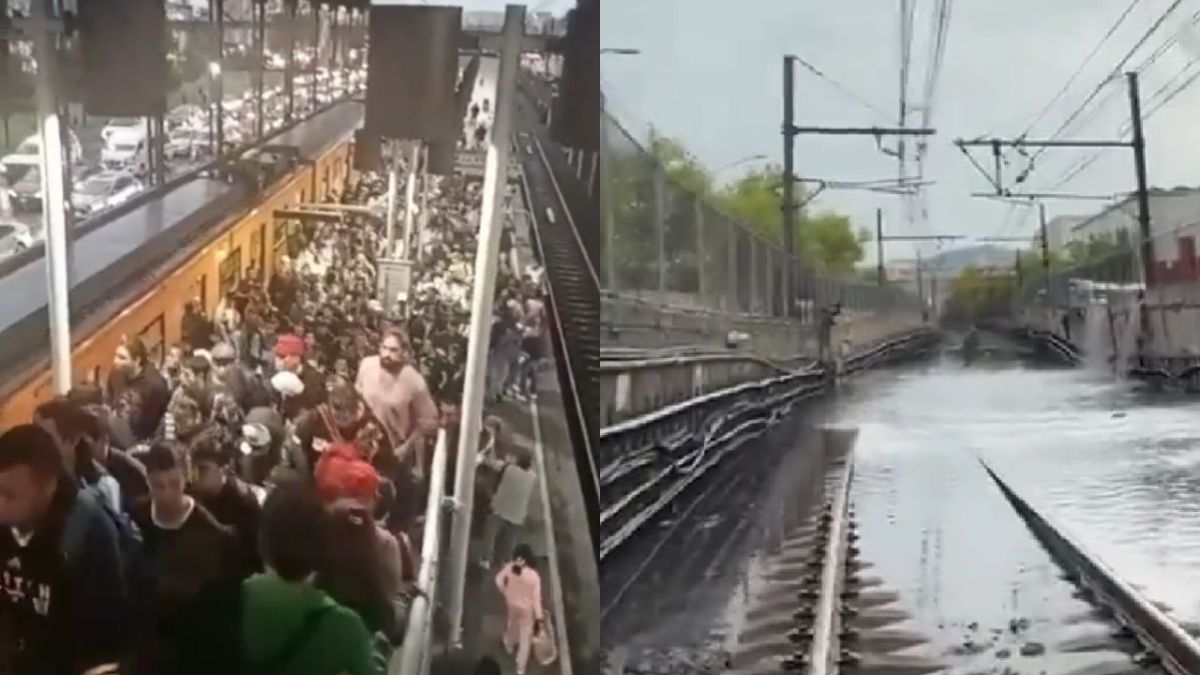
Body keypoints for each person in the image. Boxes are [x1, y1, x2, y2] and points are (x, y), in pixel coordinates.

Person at [0, 424, 129, 675]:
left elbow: (106, 648)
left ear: (48, 486)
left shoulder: (87, 532)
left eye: (8, 494)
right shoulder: (7, 527)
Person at [242, 483, 379, 675]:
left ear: (261, 541)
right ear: (324, 545)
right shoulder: (344, 626)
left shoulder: (229, 603)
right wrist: (379, 650)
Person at [130, 441, 241, 675]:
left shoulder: (214, 535)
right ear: (148, 482)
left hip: (192, 656)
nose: (167, 494)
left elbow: (222, 620)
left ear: (186, 478)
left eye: (174, 484)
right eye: (159, 486)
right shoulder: (136, 516)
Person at [354, 328, 439, 478]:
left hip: (394, 450)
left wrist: (406, 447)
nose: (387, 354)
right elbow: (357, 395)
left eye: (393, 350)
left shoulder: (414, 381)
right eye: (384, 348)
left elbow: (429, 422)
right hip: (363, 444)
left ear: (404, 352)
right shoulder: (367, 365)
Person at [188, 430, 263, 578]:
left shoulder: (244, 505)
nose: (193, 476)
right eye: (192, 468)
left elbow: (253, 559)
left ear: (224, 469)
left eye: (202, 469)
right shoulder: (190, 496)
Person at [494, 544, 545, 675]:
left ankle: (509, 645)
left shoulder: (510, 568)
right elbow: (536, 599)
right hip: (527, 610)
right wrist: (539, 618)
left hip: (511, 603)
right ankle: (520, 666)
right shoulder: (534, 576)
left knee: (512, 625)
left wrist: (504, 591)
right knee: (525, 637)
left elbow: (498, 580)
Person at [111, 338, 171, 441]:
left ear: (137, 360)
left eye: (122, 358)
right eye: (116, 355)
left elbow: (155, 425)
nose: (115, 361)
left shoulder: (155, 385)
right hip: (118, 432)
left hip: (142, 441)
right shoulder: (116, 374)